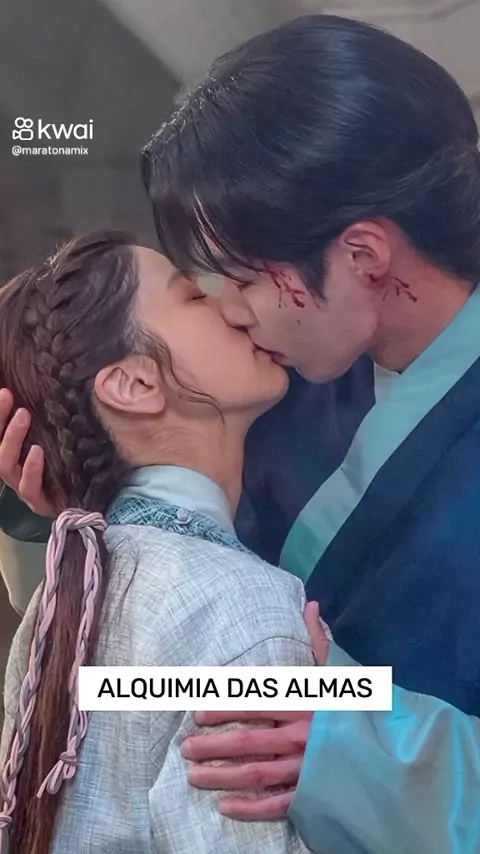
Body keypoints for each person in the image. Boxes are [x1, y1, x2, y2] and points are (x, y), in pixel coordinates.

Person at [2, 13, 480, 853]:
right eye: (202, 286)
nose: (229, 311)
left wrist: (366, 742)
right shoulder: (276, 380)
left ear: (364, 256)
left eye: (241, 278)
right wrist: (76, 490)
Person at [0, 230, 317, 854]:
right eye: (193, 296)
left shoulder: (57, 602)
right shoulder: (241, 607)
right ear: (135, 385)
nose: (231, 305)